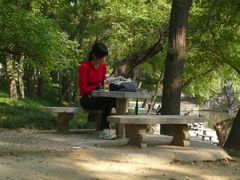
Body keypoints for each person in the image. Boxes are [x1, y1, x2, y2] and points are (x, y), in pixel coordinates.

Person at [78, 43, 116, 140]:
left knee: (112, 99)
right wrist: (96, 86)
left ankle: (120, 127)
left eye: (104, 57)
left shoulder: (103, 67)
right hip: (87, 99)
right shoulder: (84, 67)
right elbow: (84, 88)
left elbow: (103, 84)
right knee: (107, 101)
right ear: (94, 56)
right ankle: (105, 129)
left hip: (99, 96)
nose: (104, 60)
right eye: (102, 57)